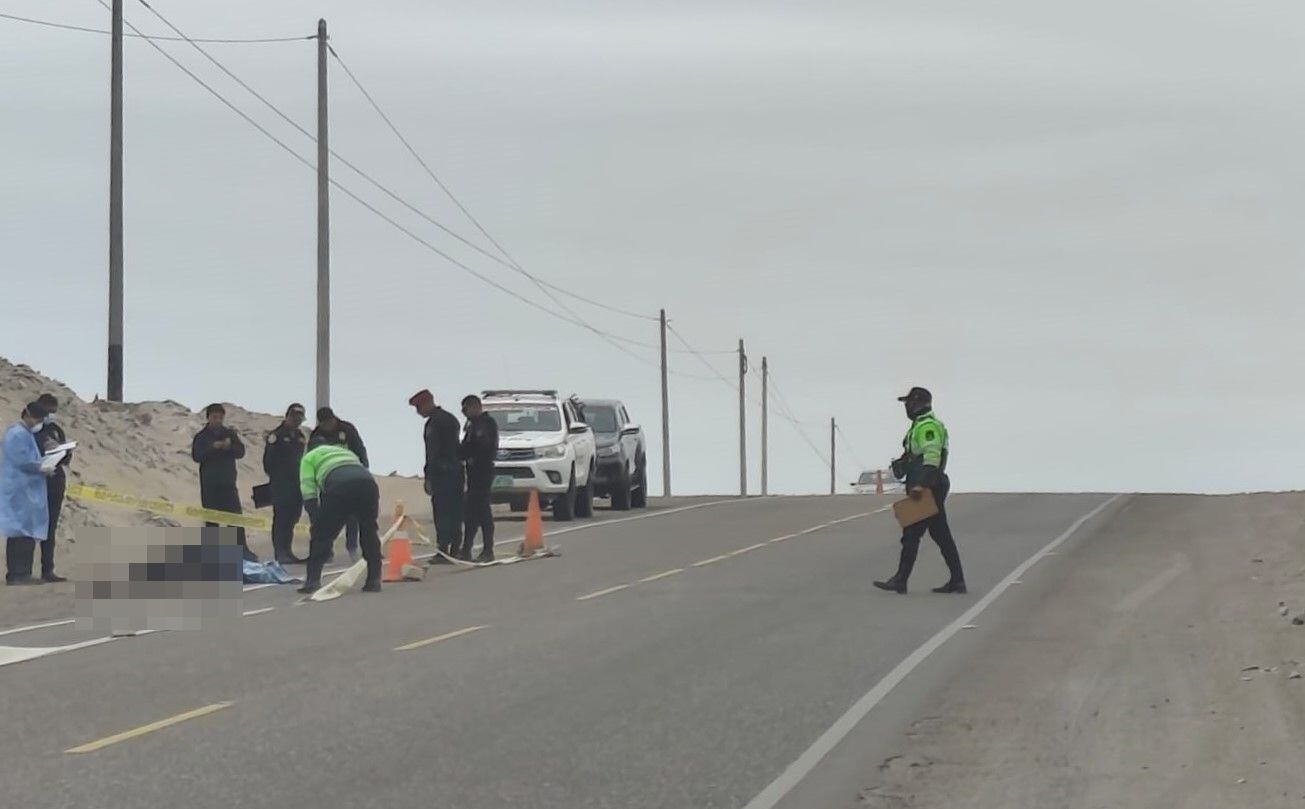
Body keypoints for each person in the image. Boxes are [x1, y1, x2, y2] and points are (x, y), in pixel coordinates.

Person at [874, 387, 966, 595]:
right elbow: (918, 455)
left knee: (911, 533)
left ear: (918, 403)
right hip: (929, 486)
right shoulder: (920, 426)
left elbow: (932, 457)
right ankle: (957, 580)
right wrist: (903, 463)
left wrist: (921, 485)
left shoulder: (928, 427)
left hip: (928, 487)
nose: (906, 407)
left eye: (908, 403)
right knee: (940, 535)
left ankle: (900, 580)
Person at [297, 442, 382, 594]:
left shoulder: (308, 458)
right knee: (369, 530)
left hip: (339, 486)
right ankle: (374, 579)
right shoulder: (345, 452)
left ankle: (312, 581)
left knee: (321, 535)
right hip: (368, 484)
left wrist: (316, 520)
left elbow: (308, 491)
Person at [191, 404, 255, 562]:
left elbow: (240, 452)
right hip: (210, 485)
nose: (217, 420)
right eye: (214, 417)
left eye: (220, 417)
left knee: (235, 518)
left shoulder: (229, 434)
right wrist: (213, 447)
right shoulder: (202, 436)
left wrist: (228, 447)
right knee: (212, 520)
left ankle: (241, 551)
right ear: (208, 417)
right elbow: (197, 456)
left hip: (228, 483)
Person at [410, 389, 465, 563]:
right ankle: (456, 547)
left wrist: (429, 477)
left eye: (419, 407)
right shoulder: (450, 419)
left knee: (442, 513)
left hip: (442, 473)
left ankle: (444, 550)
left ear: (427, 403)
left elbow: (432, 453)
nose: (418, 412)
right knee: (455, 511)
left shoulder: (434, 424)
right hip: (456, 471)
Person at [1, 402, 52, 585]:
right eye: (37, 419)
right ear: (28, 415)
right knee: (20, 534)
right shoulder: (16, 434)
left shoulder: (26, 434)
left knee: (25, 533)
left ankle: (22, 573)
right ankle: (18, 574)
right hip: (19, 490)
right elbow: (22, 460)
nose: (38, 423)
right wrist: (41, 466)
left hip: (27, 489)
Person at [310, 407, 369, 563]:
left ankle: (352, 548)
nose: (328, 426)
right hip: (328, 481)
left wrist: (364, 469)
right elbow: (312, 459)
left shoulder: (347, 429)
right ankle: (326, 552)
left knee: (353, 516)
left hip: (350, 477)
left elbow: (360, 449)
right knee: (327, 517)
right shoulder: (317, 435)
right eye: (324, 423)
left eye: (330, 422)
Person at [263, 403, 308, 565]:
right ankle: (280, 552)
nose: (297, 421)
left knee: (292, 517)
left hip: (297, 484)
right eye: (295, 418)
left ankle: (288, 551)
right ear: (288, 416)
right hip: (281, 484)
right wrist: (278, 477)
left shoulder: (300, 436)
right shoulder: (277, 435)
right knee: (281, 518)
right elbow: (268, 461)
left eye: (300, 419)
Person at [459, 394, 499, 563]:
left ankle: (488, 549)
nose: (464, 412)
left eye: (466, 408)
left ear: (475, 407)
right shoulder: (471, 425)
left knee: (482, 510)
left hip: (483, 471)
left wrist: (470, 455)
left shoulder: (485, 424)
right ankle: (466, 548)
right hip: (473, 473)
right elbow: (466, 447)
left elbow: (483, 447)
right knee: (471, 512)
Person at [34, 393, 70, 582]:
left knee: (50, 526)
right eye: (48, 411)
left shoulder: (56, 430)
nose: (51, 415)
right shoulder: (31, 430)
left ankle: (48, 569)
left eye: (53, 412)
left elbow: (67, 457)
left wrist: (61, 451)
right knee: (30, 526)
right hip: (36, 480)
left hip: (55, 481)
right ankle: (20, 571)